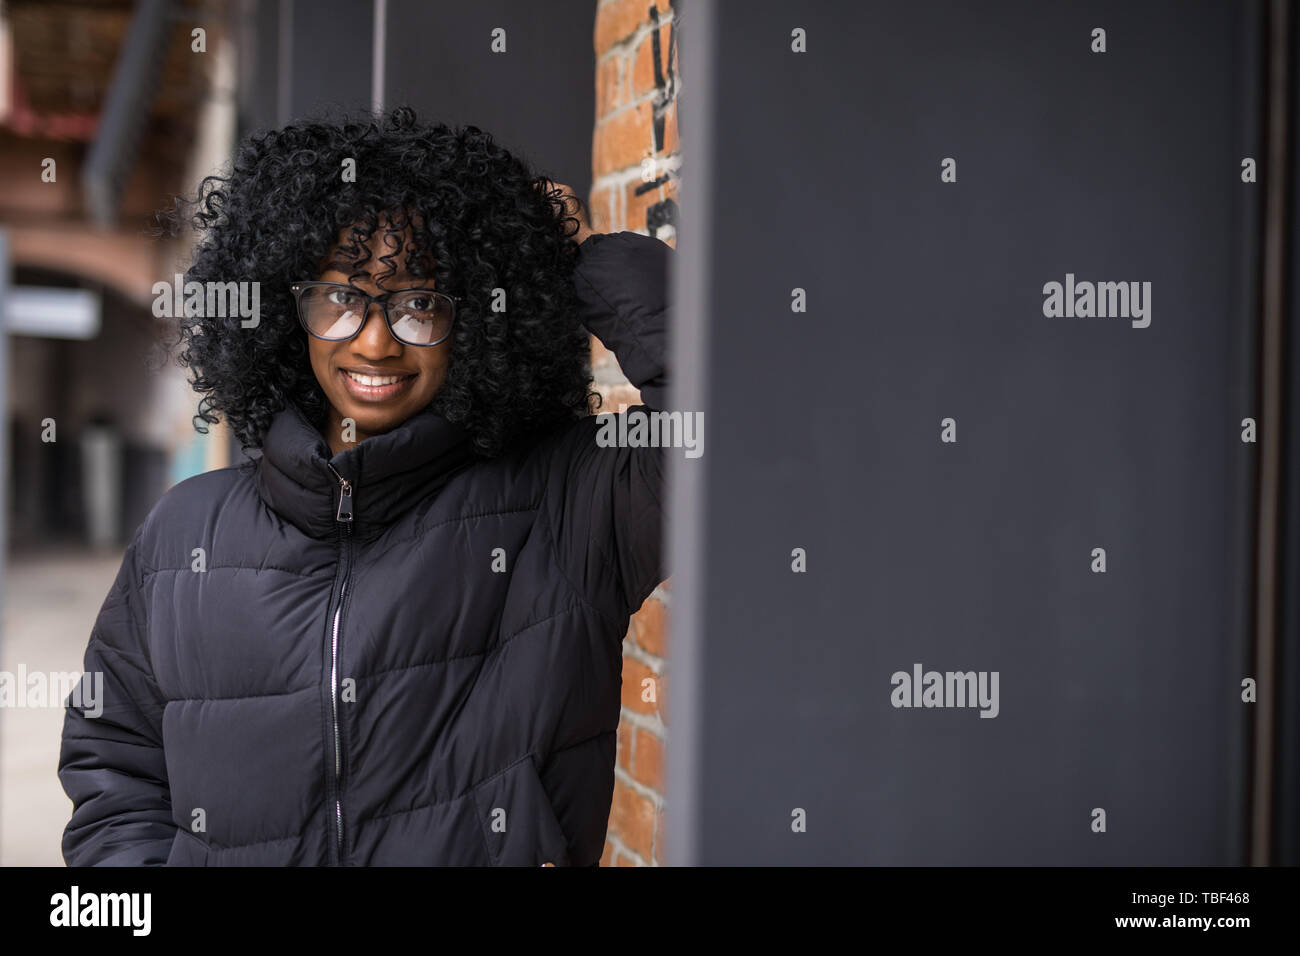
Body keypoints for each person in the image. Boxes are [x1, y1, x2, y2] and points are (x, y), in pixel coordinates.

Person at [57, 106, 671, 866]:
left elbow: (736, 429)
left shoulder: (573, 505)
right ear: (291, 306)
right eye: (343, 297)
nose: (376, 341)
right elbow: (113, 768)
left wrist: (569, 256)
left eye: (420, 303)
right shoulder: (186, 532)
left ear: (476, 315)